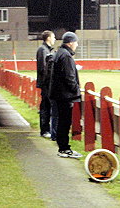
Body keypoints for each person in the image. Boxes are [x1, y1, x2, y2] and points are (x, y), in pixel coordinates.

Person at [49, 31, 82, 159]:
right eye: (76, 42)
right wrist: (76, 90)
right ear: (71, 42)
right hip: (64, 95)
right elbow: (69, 77)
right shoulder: (66, 56)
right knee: (64, 122)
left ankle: (63, 147)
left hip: (59, 94)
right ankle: (64, 149)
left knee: (62, 121)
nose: (77, 45)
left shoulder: (60, 53)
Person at [36, 30, 56, 139]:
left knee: (47, 107)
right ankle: (44, 130)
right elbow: (43, 68)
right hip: (46, 84)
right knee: (45, 107)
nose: (54, 39)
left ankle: (46, 129)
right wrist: (47, 83)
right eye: (53, 37)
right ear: (48, 38)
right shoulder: (43, 50)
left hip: (47, 84)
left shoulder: (47, 50)